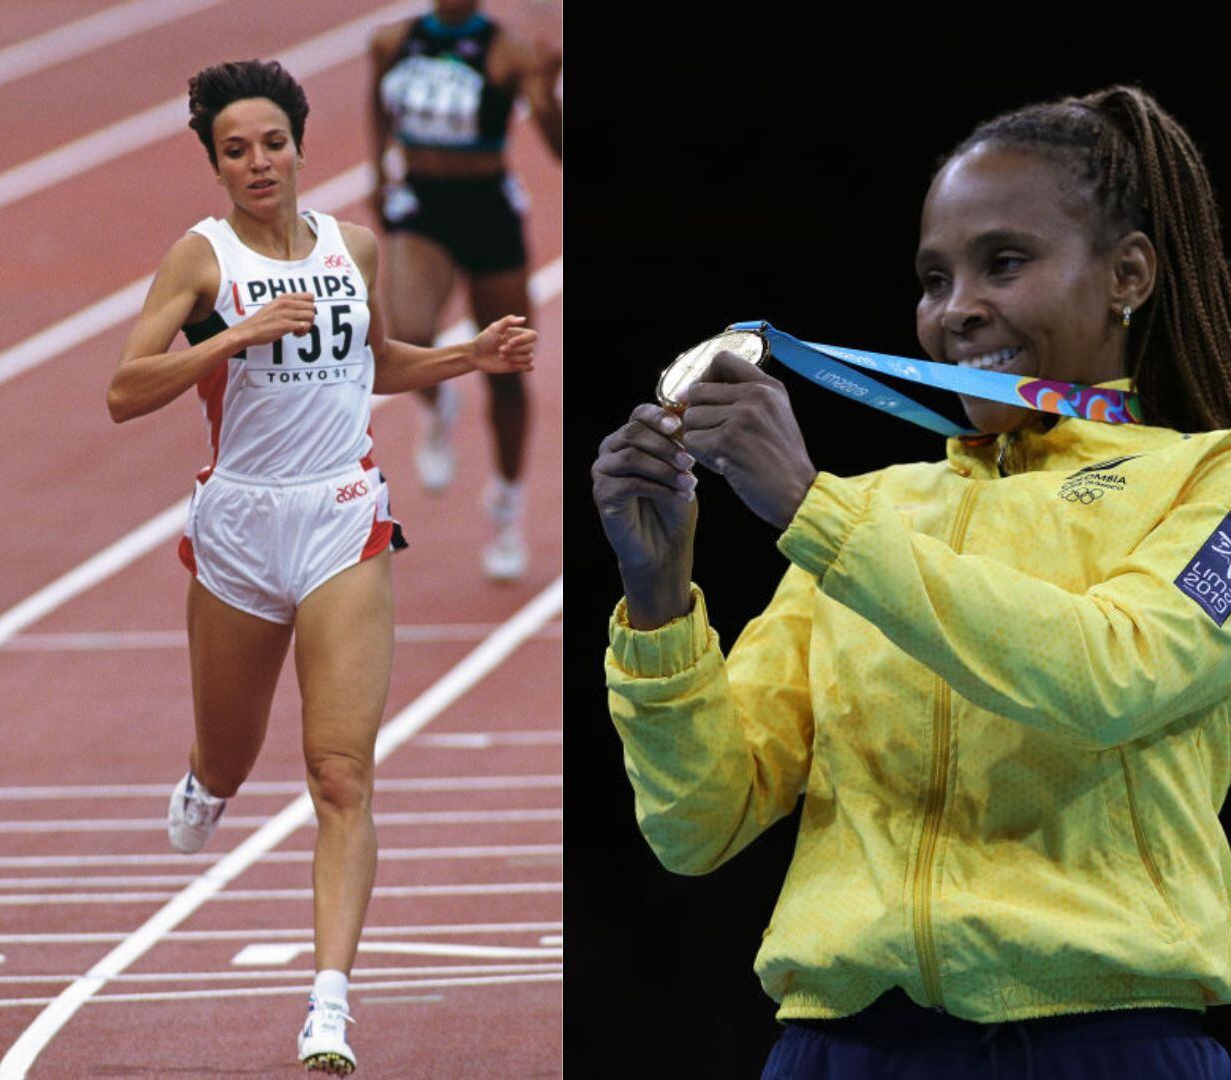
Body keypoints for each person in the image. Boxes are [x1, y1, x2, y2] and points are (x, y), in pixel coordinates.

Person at [597, 85, 1231, 1078]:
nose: (957, 309)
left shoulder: (1206, 483)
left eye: (1004, 263)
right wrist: (659, 600)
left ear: (1128, 273)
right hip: (838, 1052)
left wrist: (812, 512)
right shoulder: (875, 509)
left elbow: (1113, 675)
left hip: (1103, 1047)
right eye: (934, 279)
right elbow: (700, 824)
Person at [108, 59, 535, 1075]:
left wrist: (465, 360)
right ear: (214, 163)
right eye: (236, 150)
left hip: (344, 514)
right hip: (240, 528)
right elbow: (126, 390)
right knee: (233, 754)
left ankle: (330, 1004)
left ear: (301, 143)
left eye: (273, 143)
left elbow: (373, 360)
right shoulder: (201, 260)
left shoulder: (354, 245)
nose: (259, 163)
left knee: (340, 774)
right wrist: (237, 335)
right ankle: (208, 784)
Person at [369, 0, 561, 580]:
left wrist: (548, 90)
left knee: (507, 367)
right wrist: (379, 173)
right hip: (423, 205)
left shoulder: (509, 52)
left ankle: (505, 507)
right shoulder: (391, 41)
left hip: (488, 213)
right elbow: (377, 109)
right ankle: (439, 401)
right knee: (406, 333)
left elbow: (557, 145)